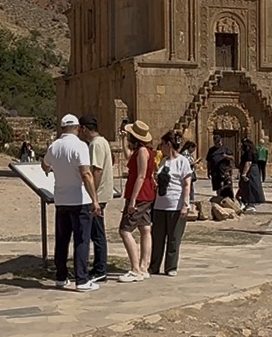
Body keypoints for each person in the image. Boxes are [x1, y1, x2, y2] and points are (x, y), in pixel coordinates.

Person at [42, 114, 101, 291]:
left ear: (62, 128)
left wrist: (54, 169)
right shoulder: (80, 146)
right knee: (81, 240)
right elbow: (86, 173)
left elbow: (44, 165)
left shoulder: (54, 146)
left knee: (62, 239)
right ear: (77, 128)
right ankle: (82, 279)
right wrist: (94, 199)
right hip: (79, 199)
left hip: (61, 199)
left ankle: (61, 276)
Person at [151, 132, 194, 274]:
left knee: (173, 238)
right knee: (157, 237)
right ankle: (154, 266)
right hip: (160, 205)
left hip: (175, 205)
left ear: (168, 144)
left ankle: (171, 266)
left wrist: (185, 205)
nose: (161, 147)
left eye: (162, 144)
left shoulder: (183, 161)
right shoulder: (164, 161)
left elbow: (186, 185)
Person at [119, 120, 156, 279]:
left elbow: (141, 176)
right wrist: (122, 140)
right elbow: (129, 157)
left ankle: (135, 269)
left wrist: (133, 199)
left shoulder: (142, 151)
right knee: (145, 228)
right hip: (147, 193)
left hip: (140, 194)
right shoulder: (145, 151)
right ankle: (143, 266)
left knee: (125, 230)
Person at [79, 114, 114, 282]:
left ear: (84, 128)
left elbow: (97, 170)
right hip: (100, 194)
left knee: (97, 233)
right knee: (96, 232)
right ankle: (99, 267)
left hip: (98, 195)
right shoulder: (102, 142)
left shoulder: (96, 144)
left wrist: (92, 193)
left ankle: (100, 269)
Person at [239, 138, 265, 208]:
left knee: (250, 186)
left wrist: (244, 173)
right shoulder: (253, 151)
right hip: (254, 169)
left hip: (250, 171)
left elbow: (248, 162)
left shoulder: (249, 152)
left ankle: (250, 203)